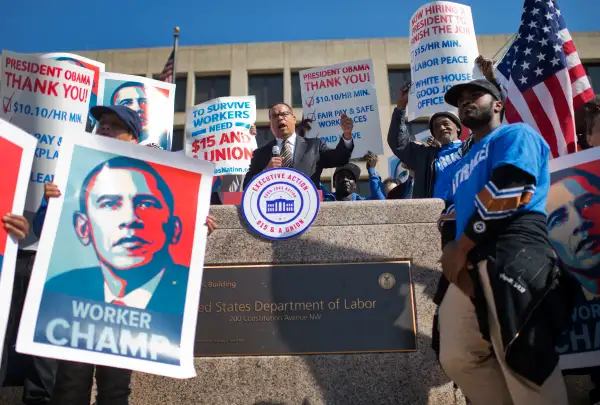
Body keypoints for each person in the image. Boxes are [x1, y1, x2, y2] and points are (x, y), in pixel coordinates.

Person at [33, 105, 214, 405]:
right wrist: (51, 206)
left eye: (114, 125)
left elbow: (180, 225)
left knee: (115, 389)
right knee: (69, 387)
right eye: (101, 123)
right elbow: (43, 231)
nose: (104, 128)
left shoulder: (156, 176)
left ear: (133, 139)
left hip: (132, 313)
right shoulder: (72, 171)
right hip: (80, 304)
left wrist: (199, 225)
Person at [437, 78, 571, 404]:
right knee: (457, 355)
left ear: (498, 104)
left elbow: (509, 189)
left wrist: (462, 246)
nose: (466, 101)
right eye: (461, 99)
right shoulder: (458, 165)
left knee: (521, 353)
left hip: (513, 248)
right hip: (468, 260)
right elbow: (448, 216)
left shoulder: (515, 134)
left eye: (475, 95)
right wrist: (457, 263)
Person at [242, 103, 353, 190]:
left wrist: (347, 135)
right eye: (275, 116)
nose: (280, 118)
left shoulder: (314, 146)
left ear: (294, 119)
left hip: (308, 208)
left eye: (284, 114)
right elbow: (247, 186)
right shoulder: (260, 153)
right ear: (270, 124)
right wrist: (265, 173)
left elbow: (340, 159)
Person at [387, 86, 463, 199]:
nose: (442, 128)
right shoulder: (424, 156)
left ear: (457, 127)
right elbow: (398, 142)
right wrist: (401, 106)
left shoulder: (471, 148)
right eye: (436, 127)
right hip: (435, 214)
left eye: (446, 124)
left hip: (466, 210)